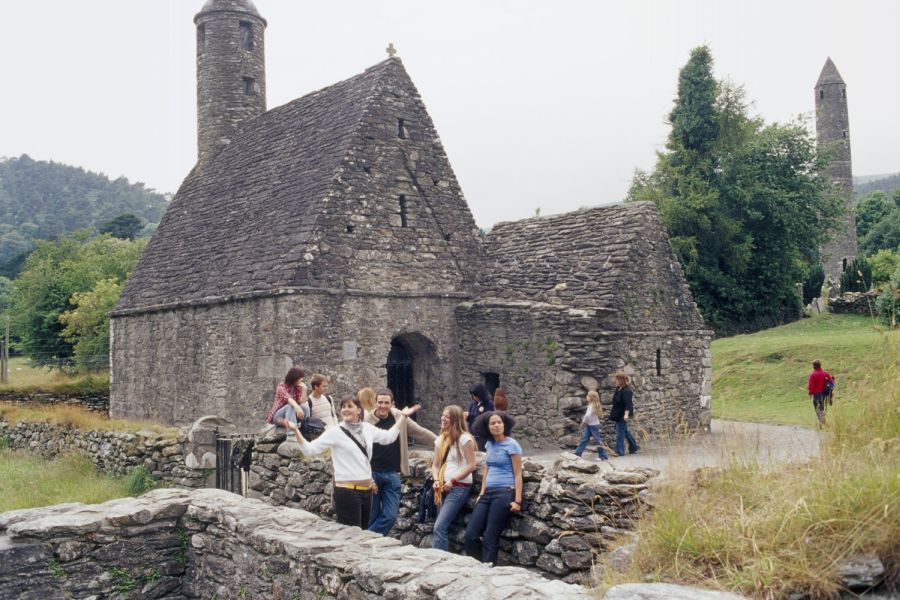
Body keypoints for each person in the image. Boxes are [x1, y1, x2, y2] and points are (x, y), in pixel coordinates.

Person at [286, 395, 421, 528]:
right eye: (343, 407)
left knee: (363, 535)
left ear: (359, 410)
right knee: (352, 538)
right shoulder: (335, 432)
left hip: (366, 492)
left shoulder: (367, 428)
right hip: (347, 491)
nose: (345, 409)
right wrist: (296, 431)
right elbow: (310, 450)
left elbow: (388, 437)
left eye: (350, 406)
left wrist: (403, 416)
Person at [364, 388, 437, 535]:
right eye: (380, 402)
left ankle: (365, 540)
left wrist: (441, 442)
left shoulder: (400, 417)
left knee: (390, 516)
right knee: (372, 515)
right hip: (371, 474)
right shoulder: (367, 421)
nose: (383, 406)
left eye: (386, 403)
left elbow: (420, 432)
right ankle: (371, 547)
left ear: (392, 404)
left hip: (392, 474)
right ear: (375, 403)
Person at [464, 411, 523, 565]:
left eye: (499, 422)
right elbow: (487, 469)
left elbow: (518, 474)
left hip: (504, 493)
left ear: (505, 424)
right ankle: (476, 566)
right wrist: (482, 493)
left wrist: (517, 500)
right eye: (492, 423)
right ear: (487, 427)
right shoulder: (489, 444)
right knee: (471, 534)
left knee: (491, 536)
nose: (496, 425)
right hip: (487, 494)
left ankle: (487, 570)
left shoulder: (512, 444)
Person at [431, 405, 477, 551]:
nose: (443, 419)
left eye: (447, 417)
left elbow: (471, 465)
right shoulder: (440, 440)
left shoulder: (465, 439)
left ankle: (439, 559)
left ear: (456, 420)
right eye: (443, 415)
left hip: (459, 487)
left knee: (439, 526)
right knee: (439, 526)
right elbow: (435, 465)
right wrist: (436, 480)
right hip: (442, 487)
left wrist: (453, 480)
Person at [609, 371, 639, 456]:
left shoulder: (627, 391)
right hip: (617, 413)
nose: (615, 380)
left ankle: (619, 451)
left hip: (623, 414)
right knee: (623, 431)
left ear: (622, 379)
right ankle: (634, 446)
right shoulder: (618, 388)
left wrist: (626, 414)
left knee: (619, 432)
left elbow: (628, 404)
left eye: (617, 379)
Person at [574, 390, 609, 461]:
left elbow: (587, 415)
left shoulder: (592, 406)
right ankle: (578, 453)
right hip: (590, 425)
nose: (586, 397)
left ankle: (603, 456)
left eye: (588, 395)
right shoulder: (591, 405)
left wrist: (583, 422)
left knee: (598, 440)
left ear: (592, 398)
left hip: (593, 426)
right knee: (585, 439)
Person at [466, 383, 494, 451]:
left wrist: (471, 416)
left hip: (482, 436)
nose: (474, 397)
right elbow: (470, 417)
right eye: (473, 396)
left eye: (476, 396)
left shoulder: (489, 404)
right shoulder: (473, 403)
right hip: (472, 434)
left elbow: (485, 418)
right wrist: (467, 416)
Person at [807, 360, 834, 426]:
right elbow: (832, 383)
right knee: (823, 408)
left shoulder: (813, 375)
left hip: (817, 394)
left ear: (814, 366)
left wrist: (810, 393)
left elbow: (811, 386)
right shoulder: (825, 373)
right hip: (825, 393)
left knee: (817, 408)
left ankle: (823, 423)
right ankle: (822, 423)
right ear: (820, 365)